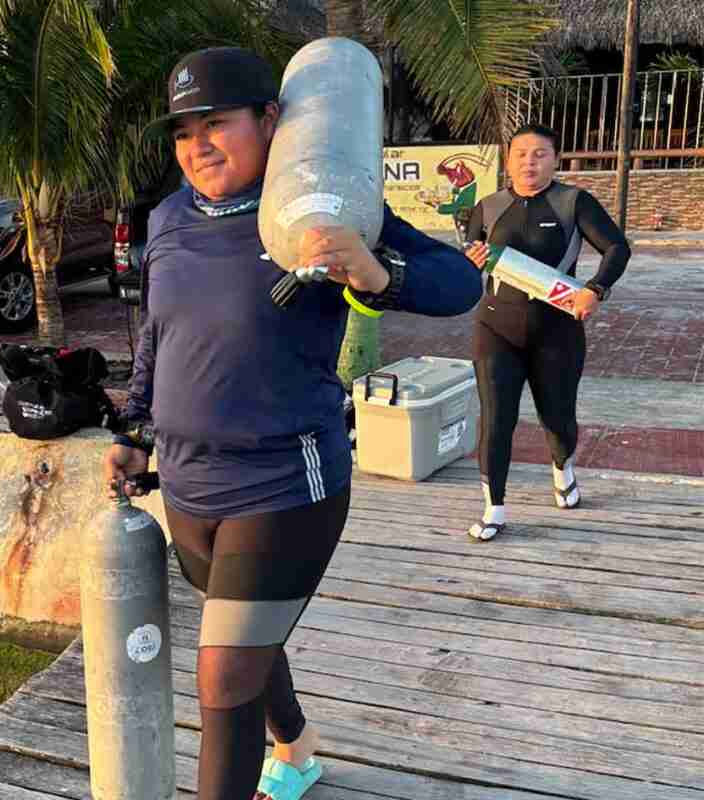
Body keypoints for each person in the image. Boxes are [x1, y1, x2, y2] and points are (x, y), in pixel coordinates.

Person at [100, 48, 482, 800]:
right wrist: (135, 430)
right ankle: (297, 750)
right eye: (183, 133)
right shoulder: (169, 219)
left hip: (284, 482)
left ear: (270, 122)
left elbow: (460, 282)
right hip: (186, 482)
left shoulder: (321, 211)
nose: (198, 145)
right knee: (239, 639)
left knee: (225, 677)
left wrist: (380, 274)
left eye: (217, 124)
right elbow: (157, 336)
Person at [463, 124, 630, 541]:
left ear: (555, 159)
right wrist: (472, 258)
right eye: (520, 153)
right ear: (508, 160)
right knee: (496, 419)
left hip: (556, 330)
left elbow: (617, 248)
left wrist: (596, 290)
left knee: (557, 419)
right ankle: (494, 508)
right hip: (495, 327)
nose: (529, 162)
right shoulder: (488, 206)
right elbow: (470, 260)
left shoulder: (573, 202)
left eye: (540, 154)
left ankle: (562, 467)